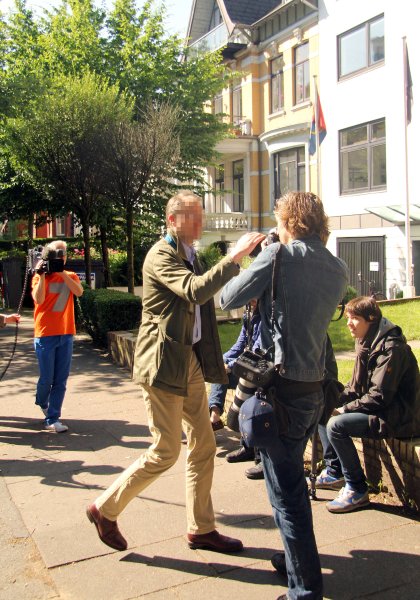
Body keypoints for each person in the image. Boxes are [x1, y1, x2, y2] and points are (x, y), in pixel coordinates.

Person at [86, 190, 264, 553]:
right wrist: (235, 257)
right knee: (166, 450)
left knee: (204, 443)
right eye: (192, 217)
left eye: (201, 215)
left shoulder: (192, 254)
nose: (199, 223)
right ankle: (105, 509)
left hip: (189, 363)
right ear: (172, 221)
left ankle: (201, 529)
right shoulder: (160, 255)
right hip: (163, 365)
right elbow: (195, 292)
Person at [220, 191, 348, 600]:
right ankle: (294, 561)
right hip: (315, 391)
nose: (277, 227)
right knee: (285, 484)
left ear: (291, 221)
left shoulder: (279, 256)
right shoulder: (338, 267)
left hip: (282, 392)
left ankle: (304, 590)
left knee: (287, 493)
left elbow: (226, 298)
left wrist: (245, 255)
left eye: (280, 221)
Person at [325, 296, 420, 513]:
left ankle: (357, 489)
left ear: (371, 319)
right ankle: (334, 472)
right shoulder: (366, 342)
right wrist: (334, 401)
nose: (349, 323)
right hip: (383, 409)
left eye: (354, 318)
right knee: (325, 406)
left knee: (336, 425)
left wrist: (343, 409)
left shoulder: (391, 349)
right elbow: (356, 387)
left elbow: (379, 396)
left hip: (399, 416)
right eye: (348, 317)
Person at [32, 240, 83, 433]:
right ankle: (41, 400)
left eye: (63, 256)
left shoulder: (69, 275)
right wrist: (42, 274)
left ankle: (53, 417)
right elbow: (38, 299)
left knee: (61, 379)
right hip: (45, 334)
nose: (61, 258)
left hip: (66, 333)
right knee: (46, 378)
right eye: (57, 256)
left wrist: (61, 272)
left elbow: (79, 292)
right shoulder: (40, 277)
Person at [209, 299, 261, 433]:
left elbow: (254, 353)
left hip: (257, 373)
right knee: (220, 370)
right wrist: (221, 361)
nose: (252, 300)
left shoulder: (264, 320)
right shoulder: (248, 316)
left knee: (222, 373)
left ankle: (214, 419)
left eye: (256, 297)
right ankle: (214, 417)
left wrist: (230, 366)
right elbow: (238, 346)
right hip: (245, 367)